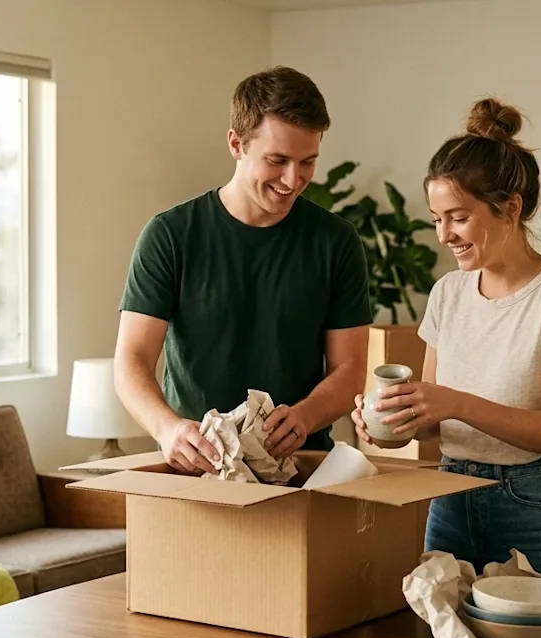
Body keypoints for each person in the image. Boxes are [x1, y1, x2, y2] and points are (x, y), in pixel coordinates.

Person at [351, 97, 541, 578]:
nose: (443, 234)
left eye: (458, 217)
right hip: (450, 497)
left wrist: (455, 403)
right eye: (436, 218)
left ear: (510, 208)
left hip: (536, 504)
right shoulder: (448, 292)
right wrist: (390, 426)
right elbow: (434, 421)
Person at [114, 66, 372, 475]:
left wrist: (305, 416)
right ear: (236, 144)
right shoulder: (170, 236)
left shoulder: (336, 242)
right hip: (195, 469)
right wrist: (167, 429)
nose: (293, 179)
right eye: (277, 160)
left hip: (301, 467)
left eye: (308, 161)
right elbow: (131, 360)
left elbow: (350, 367)